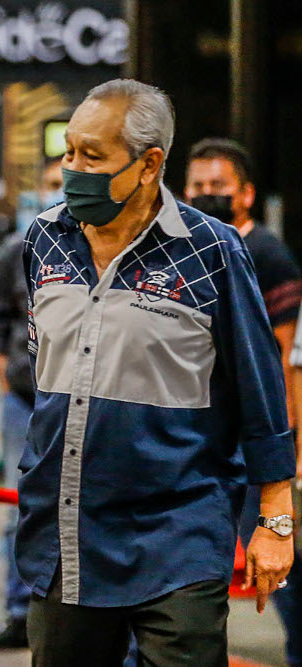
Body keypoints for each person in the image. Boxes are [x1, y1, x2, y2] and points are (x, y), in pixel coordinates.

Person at [19, 79, 296, 665]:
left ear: (149, 166)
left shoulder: (211, 250)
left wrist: (275, 517)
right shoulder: (45, 239)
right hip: (67, 531)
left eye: (92, 157)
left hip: (177, 534)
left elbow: (260, 386)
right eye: (69, 151)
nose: (73, 169)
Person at [185, 138, 302, 667]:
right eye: (198, 187)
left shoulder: (268, 254)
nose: (207, 195)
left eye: (219, 187)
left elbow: (282, 357)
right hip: (202, 433)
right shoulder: (182, 245)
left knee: (280, 557)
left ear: (246, 195)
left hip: (256, 436)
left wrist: (286, 444)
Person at [0, 159, 62, 652]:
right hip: (24, 401)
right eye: (50, 185)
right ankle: (17, 611)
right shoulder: (19, 248)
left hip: (72, 403)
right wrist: (6, 379)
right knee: (17, 505)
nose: (57, 193)